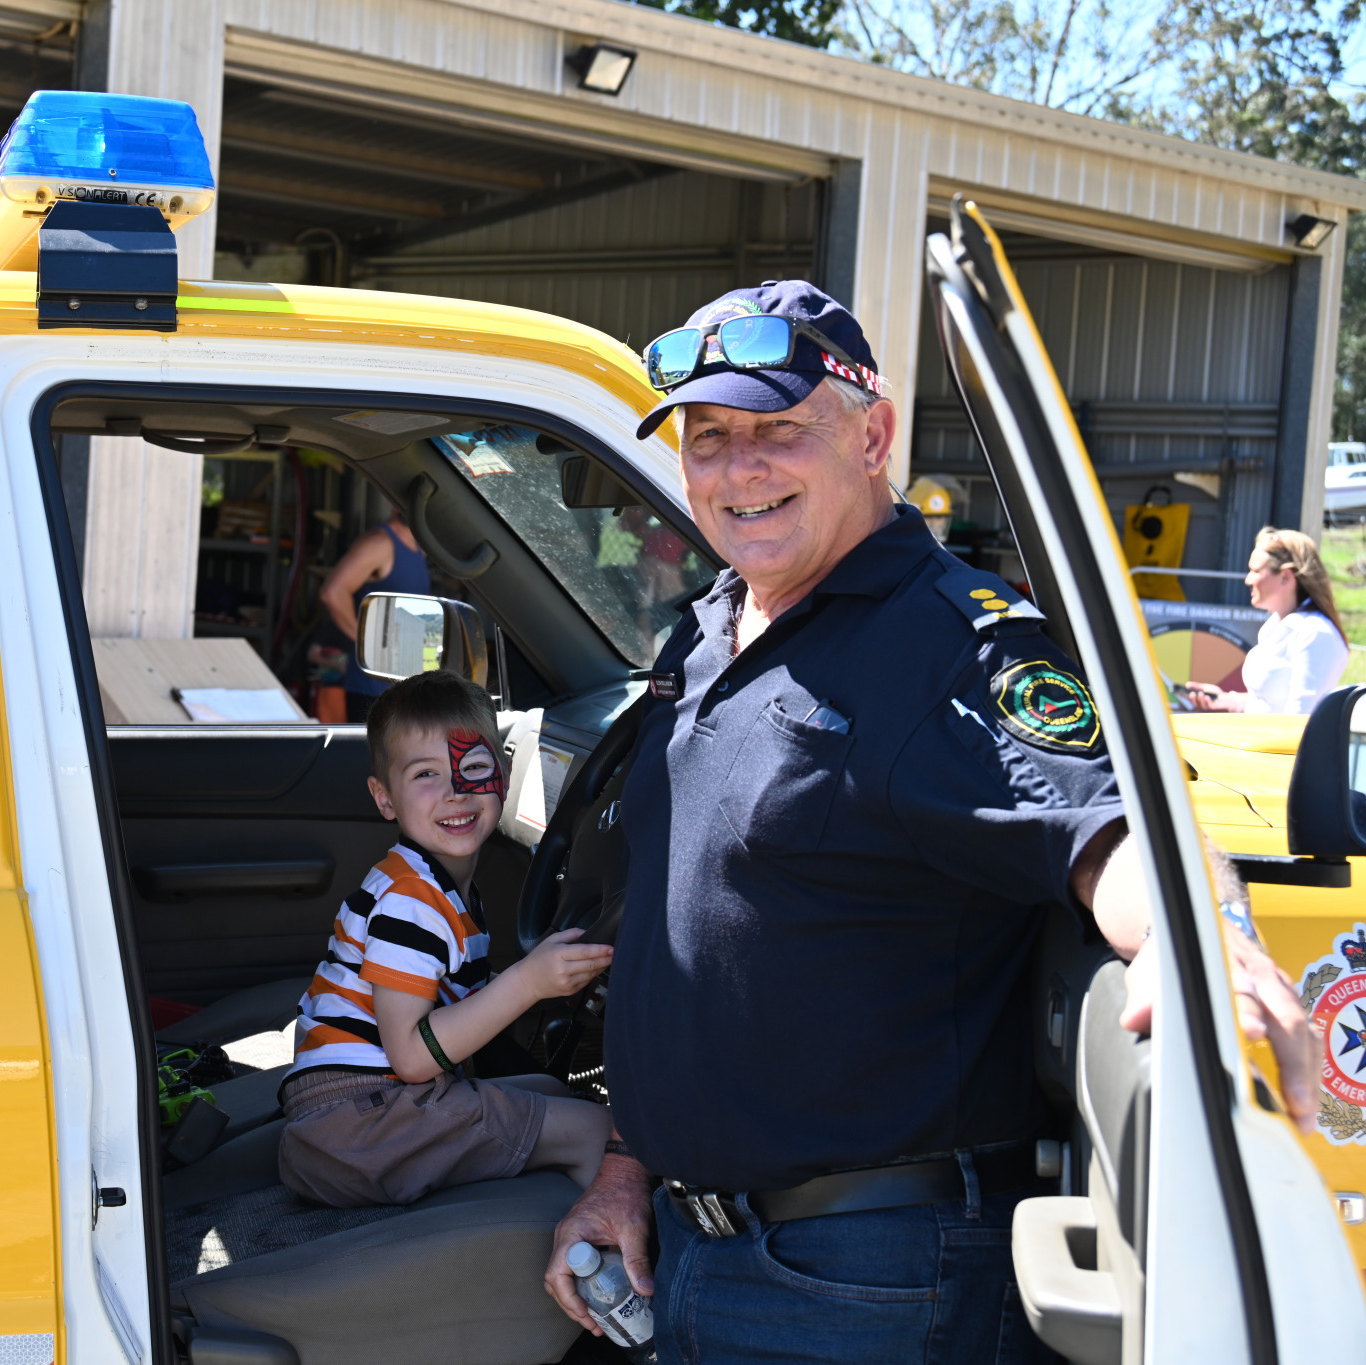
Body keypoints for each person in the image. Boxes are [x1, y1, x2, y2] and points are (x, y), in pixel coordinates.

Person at [540, 282, 1318, 1363]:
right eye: (706, 437)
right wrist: (627, 1169)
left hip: (864, 1278)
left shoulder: (954, 646)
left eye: (776, 430)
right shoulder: (716, 623)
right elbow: (690, 935)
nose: (735, 468)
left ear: (872, 435)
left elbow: (1118, 828)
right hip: (689, 1243)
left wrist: (1202, 943)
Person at [276, 670, 615, 1207]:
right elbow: (411, 1057)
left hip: (354, 1118)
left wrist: (539, 981)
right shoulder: (413, 902)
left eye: (474, 767)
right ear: (385, 799)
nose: (456, 791)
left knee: (553, 1090)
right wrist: (527, 983)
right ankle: (622, 1279)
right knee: (599, 1130)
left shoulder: (430, 884)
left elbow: (441, 995)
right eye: (426, 775)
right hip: (364, 1125)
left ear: (503, 775)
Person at [1186, 525, 1350, 714]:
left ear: (1285, 577)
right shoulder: (1275, 625)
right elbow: (1269, 703)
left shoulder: (1315, 633)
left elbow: (1300, 721)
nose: (1248, 580)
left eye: (1255, 571)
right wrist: (1228, 700)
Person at [319, 514, 432, 721]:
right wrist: (369, 648)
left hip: (404, 688)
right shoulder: (381, 543)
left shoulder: (417, 550)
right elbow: (333, 593)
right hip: (372, 691)